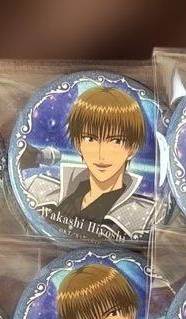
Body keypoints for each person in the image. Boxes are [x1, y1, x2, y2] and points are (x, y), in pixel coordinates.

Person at [19, 85, 156, 241]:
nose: (101, 154)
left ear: (132, 149)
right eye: (91, 139)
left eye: (116, 141)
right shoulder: (38, 189)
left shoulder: (146, 216)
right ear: (78, 144)